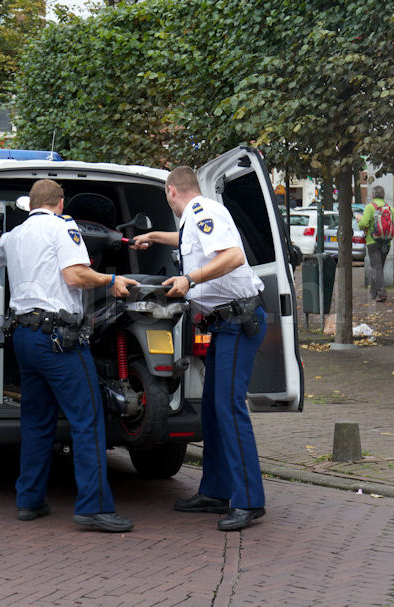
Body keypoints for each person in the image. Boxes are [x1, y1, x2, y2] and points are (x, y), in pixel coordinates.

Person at [0, 179, 138, 533]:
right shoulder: (64, 227)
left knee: (36, 421)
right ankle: (94, 507)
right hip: (59, 338)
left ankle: (29, 500)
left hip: (24, 336)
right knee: (87, 419)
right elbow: (74, 276)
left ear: (30, 206)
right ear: (60, 203)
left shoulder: (13, 236)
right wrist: (109, 280)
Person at [132, 166, 268, 532]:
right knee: (212, 410)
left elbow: (232, 257)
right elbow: (186, 242)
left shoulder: (204, 212)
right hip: (225, 325)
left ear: (171, 192)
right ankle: (216, 491)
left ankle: (249, 501)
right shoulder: (193, 218)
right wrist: (153, 237)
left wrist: (189, 278)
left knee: (228, 409)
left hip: (238, 322)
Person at [358, 185, 394, 302]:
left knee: (376, 268)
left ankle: (382, 294)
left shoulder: (370, 207)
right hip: (386, 243)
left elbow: (363, 224)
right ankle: (373, 294)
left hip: (372, 242)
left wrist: (359, 220)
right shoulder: (390, 209)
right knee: (379, 268)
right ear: (383, 196)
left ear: (373, 195)